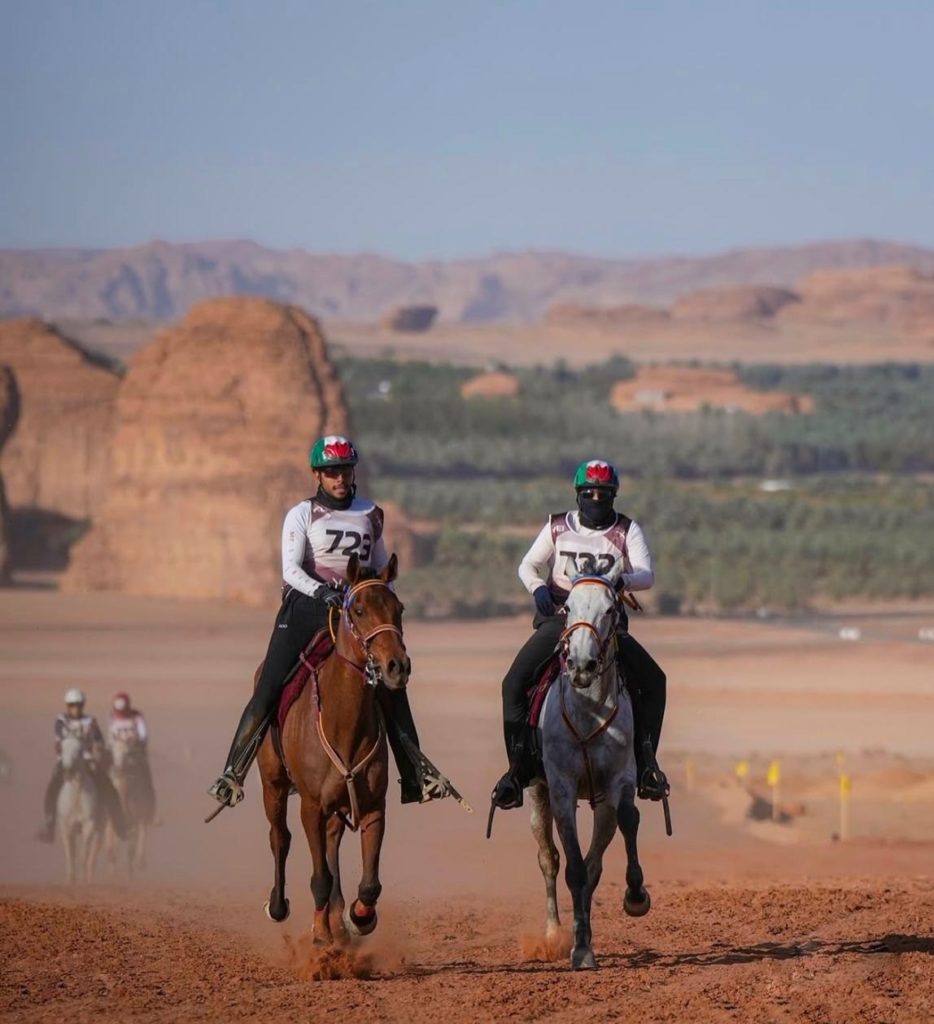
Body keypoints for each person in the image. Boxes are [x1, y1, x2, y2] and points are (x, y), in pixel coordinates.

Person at [208, 434, 454, 809]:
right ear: (317, 476)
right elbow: (291, 569)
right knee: (269, 685)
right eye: (331, 472)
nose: (339, 479)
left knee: (393, 684)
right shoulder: (302, 514)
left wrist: (375, 596)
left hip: (354, 610)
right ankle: (233, 772)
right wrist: (322, 592)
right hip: (306, 608)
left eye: (344, 471)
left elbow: (380, 566)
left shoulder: (371, 513)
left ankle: (416, 776)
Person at [491, 459, 669, 810]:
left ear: (614, 496)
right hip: (561, 619)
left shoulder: (626, 530)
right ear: (578, 495)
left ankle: (647, 765)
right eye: (589, 493)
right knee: (513, 682)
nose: (596, 500)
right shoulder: (557, 526)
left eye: (604, 494)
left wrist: (624, 580)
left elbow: (646, 574)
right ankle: (518, 769)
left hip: (605, 626)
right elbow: (527, 564)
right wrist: (537, 588)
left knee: (655, 681)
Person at [36, 689, 127, 842]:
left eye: (78, 705)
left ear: (83, 706)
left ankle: (120, 827)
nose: (75, 709)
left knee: (109, 788)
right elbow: (59, 740)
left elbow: (99, 740)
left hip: (87, 761)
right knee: (52, 788)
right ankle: (49, 825)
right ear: (67, 706)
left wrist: (97, 750)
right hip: (66, 761)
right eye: (72, 705)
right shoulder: (61, 720)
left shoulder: (91, 721)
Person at [108, 692, 157, 811]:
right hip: (117, 752)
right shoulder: (111, 716)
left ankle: (150, 809)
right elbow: (110, 735)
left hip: (134, 752)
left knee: (145, 774)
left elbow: (143, 734)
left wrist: (137, 744)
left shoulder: (137, 716)